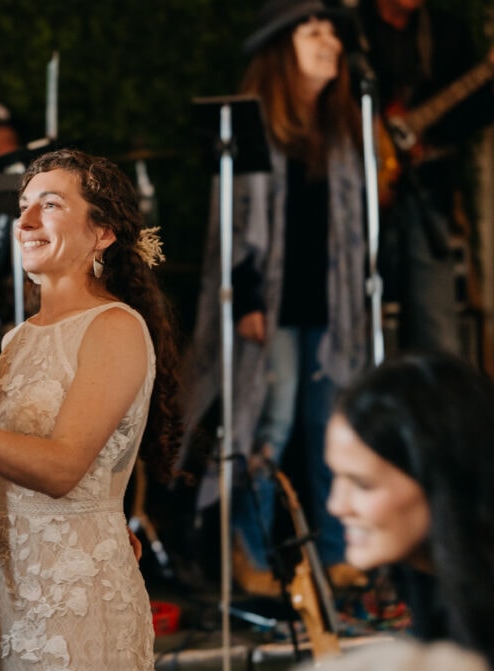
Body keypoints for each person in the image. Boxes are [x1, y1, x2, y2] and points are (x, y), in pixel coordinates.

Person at [0, 148, 183, 671]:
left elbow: (61, 469)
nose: (24, 222)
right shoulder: (19, 338)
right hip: (5, 590)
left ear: (104, 233)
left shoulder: (113, 327)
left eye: (49, 206)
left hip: (74, 597)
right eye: (22, 207)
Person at [182, 0, 369, 596]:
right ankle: (250, 548)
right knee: (273, 423)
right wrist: (251, 298)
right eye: (314, 31)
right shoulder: (253, 124)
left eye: (332, 33)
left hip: (332, 306)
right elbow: (232, 222)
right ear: (281, 47)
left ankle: (339, 552)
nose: (330, 42)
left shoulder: (342, 127)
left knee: (331, 430)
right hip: (274, 307)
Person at [285, 352, 494, 671]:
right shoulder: (432, 580)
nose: (336, 505)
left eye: (362, 484)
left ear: (440, 479)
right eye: (336, 476)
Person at [358, 0, 494, 355]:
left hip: (427, 192)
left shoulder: (446, 32)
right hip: (362, 195)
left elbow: (474, 113)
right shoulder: (355, 30)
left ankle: (433, 402)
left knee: (437, 325)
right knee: (357, 314)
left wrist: (430, 139)